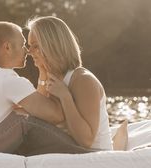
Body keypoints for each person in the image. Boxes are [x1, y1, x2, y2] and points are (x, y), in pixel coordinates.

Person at [0, 21, 91, 155]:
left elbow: (37, 108)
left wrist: (42, 74)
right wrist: (64, 94)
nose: (28, 51)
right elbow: (55, 116)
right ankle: (87, 155)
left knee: (23, 115)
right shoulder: (8, 81)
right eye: (23, 44)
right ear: (7, 47)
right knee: (22, 118)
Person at [27, 16, 113, 150]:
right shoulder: (51, 78)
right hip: (68, 152)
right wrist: (42, 72)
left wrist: (66, 97)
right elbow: (40, 118)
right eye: (29, 46)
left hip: (93, 157)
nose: (29, 51)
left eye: (35, 46)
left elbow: (86, 141)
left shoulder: (83, 80)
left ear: (52, 45)